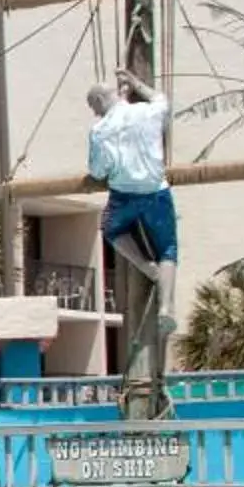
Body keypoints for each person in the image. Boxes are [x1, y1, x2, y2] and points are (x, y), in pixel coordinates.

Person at [85, 68, 178, 422]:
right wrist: (137, 84)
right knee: (169, 246)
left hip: (125, 194)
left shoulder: (101, 129)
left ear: (98, 102)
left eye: (93, 105)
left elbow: (98, 170)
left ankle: (145, 266)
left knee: (111, 229)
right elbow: (162, 101)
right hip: (156, 191)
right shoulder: (145, 111)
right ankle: (167, 304)